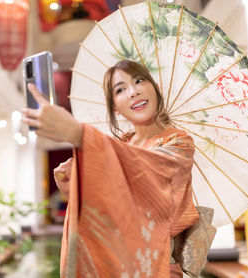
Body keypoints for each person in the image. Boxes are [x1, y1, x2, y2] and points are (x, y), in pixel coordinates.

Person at [22, 60, 200, 278]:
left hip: (156, 264)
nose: (133, 92)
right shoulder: (121, 145)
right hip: (117, 263)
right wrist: (75, 186)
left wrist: (78, 133)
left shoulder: (178, 142)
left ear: (155, 88)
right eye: (120, 89)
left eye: (139, 80)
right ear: (115, 106)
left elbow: (148, 175)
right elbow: (108, 208)